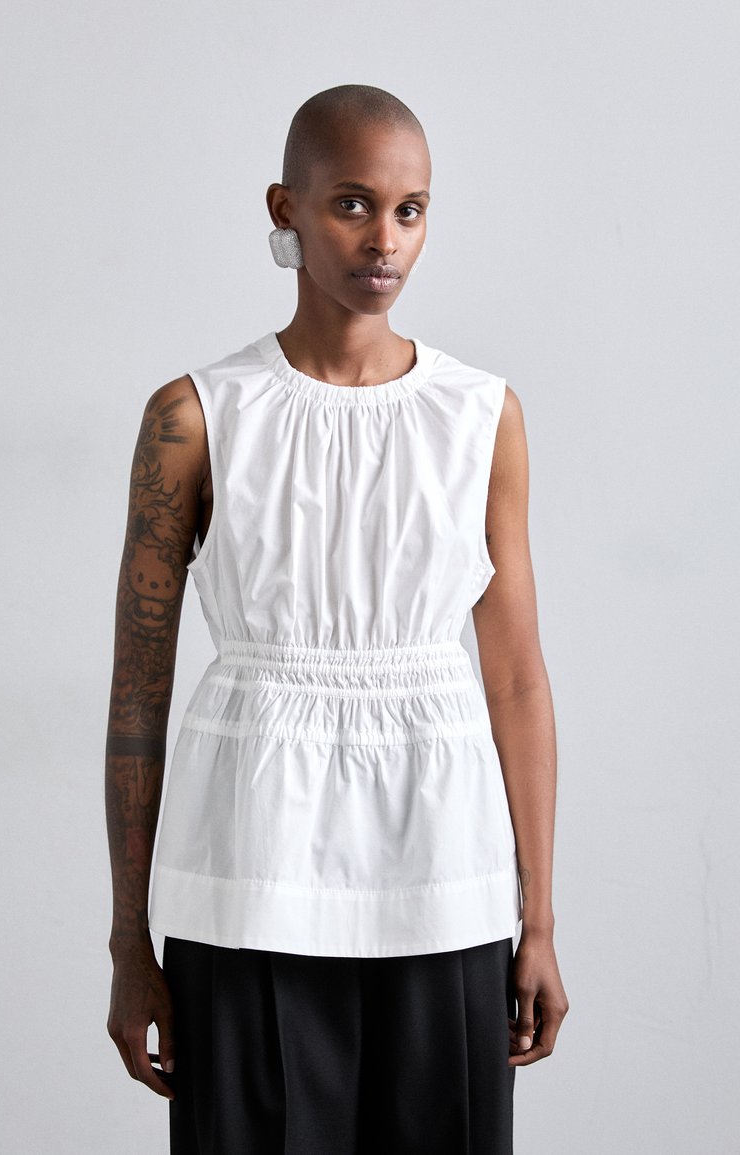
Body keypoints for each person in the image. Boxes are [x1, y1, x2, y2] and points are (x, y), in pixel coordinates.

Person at [105, 83, 568, 1154]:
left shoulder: (481, 415)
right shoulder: (194, 416)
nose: (383, 239)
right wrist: (129, 940)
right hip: (247, 875)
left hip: (445, 879)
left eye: (410, 209)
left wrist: (537, 919)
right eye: (351, 203)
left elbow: (514, 680)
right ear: (286, 208)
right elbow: (138, 692)